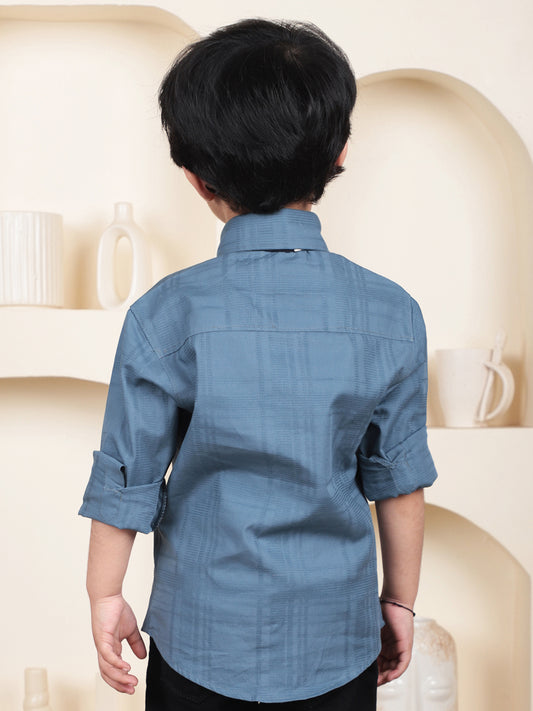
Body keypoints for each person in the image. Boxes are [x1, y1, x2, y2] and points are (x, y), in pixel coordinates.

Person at [79, 18, 438, 711]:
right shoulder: (391, 313)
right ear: (338, 152)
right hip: (338, 641)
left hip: (198, 643)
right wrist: (399, 600)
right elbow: (397, 477)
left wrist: (105, 593)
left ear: (196, 178)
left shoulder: (165, 313)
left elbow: (128, 474)